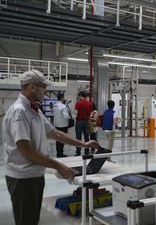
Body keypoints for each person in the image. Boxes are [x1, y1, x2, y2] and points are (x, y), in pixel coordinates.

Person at [3, 70, 99, 225]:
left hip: (34, 174)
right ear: (32, 87)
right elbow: (25, 150)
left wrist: (83, 144)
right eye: (43, 87)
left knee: (32, 218)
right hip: (23, 178)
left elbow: (55, 133)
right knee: (26, 220)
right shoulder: (19, 112)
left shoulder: (35, 110)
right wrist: (58, 165)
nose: (46, 91)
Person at [52, 93, 70, 157]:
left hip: (57, 125)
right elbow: (66, 116)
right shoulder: (63, 106)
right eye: (64, 97)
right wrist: (70, 117)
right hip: (63, 125)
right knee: (62, 140)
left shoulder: (55, 105)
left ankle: (58, 152)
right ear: (62, 98)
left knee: (58, 140)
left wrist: (66, 104)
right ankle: (61, 153)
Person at [74, 91, 92, 156]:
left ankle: (78, 152)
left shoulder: (78, 103)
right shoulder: (89, 103)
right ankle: (86, 151)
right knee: (86, 137)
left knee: (78, 137)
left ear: (80, 96)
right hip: (87, 122)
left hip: (79, 121)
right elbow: (91, 113)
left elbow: (76, 113)